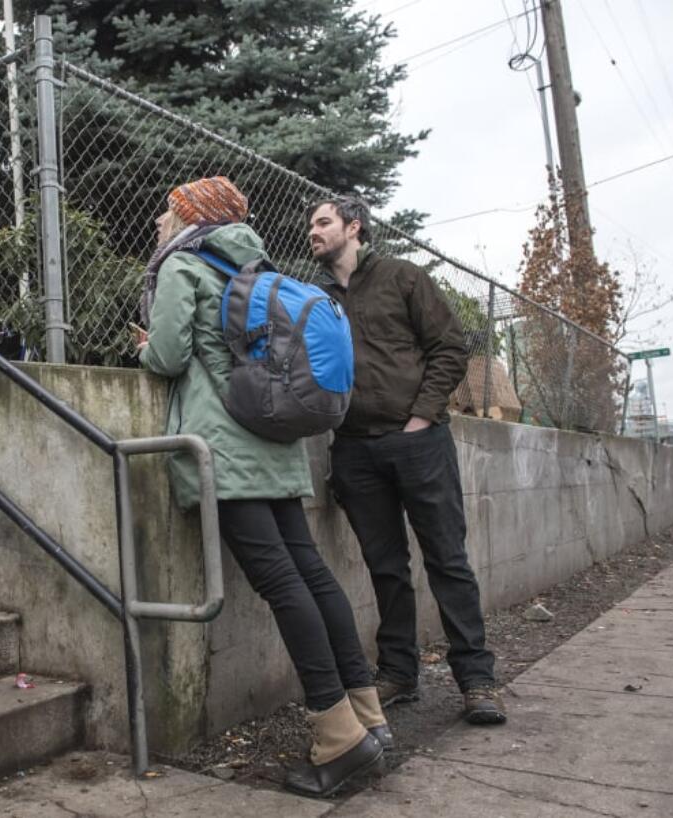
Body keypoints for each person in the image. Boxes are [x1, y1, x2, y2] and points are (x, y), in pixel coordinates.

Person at [137, 177, 388, 798]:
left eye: (169, 212)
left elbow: (169, 356)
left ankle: (339, 737)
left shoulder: (185, 267)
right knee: (310, 572)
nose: (159, 224)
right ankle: (368, 716)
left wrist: (144, 347)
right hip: (276, 444)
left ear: (193, 217)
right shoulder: (252, 266)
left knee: (280, 582)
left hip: (224, 448)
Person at [308, 195, 507, 725]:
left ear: (354, 227)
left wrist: (421, 416)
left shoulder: (403, 277)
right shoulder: (317, 298)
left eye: (323, 222)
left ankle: (477, 678)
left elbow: (450, 346)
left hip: (418, 443)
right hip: (354, 449)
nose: (313, 231)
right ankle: (398, 672)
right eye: (311, 223)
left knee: (447, 558)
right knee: (385, 567)